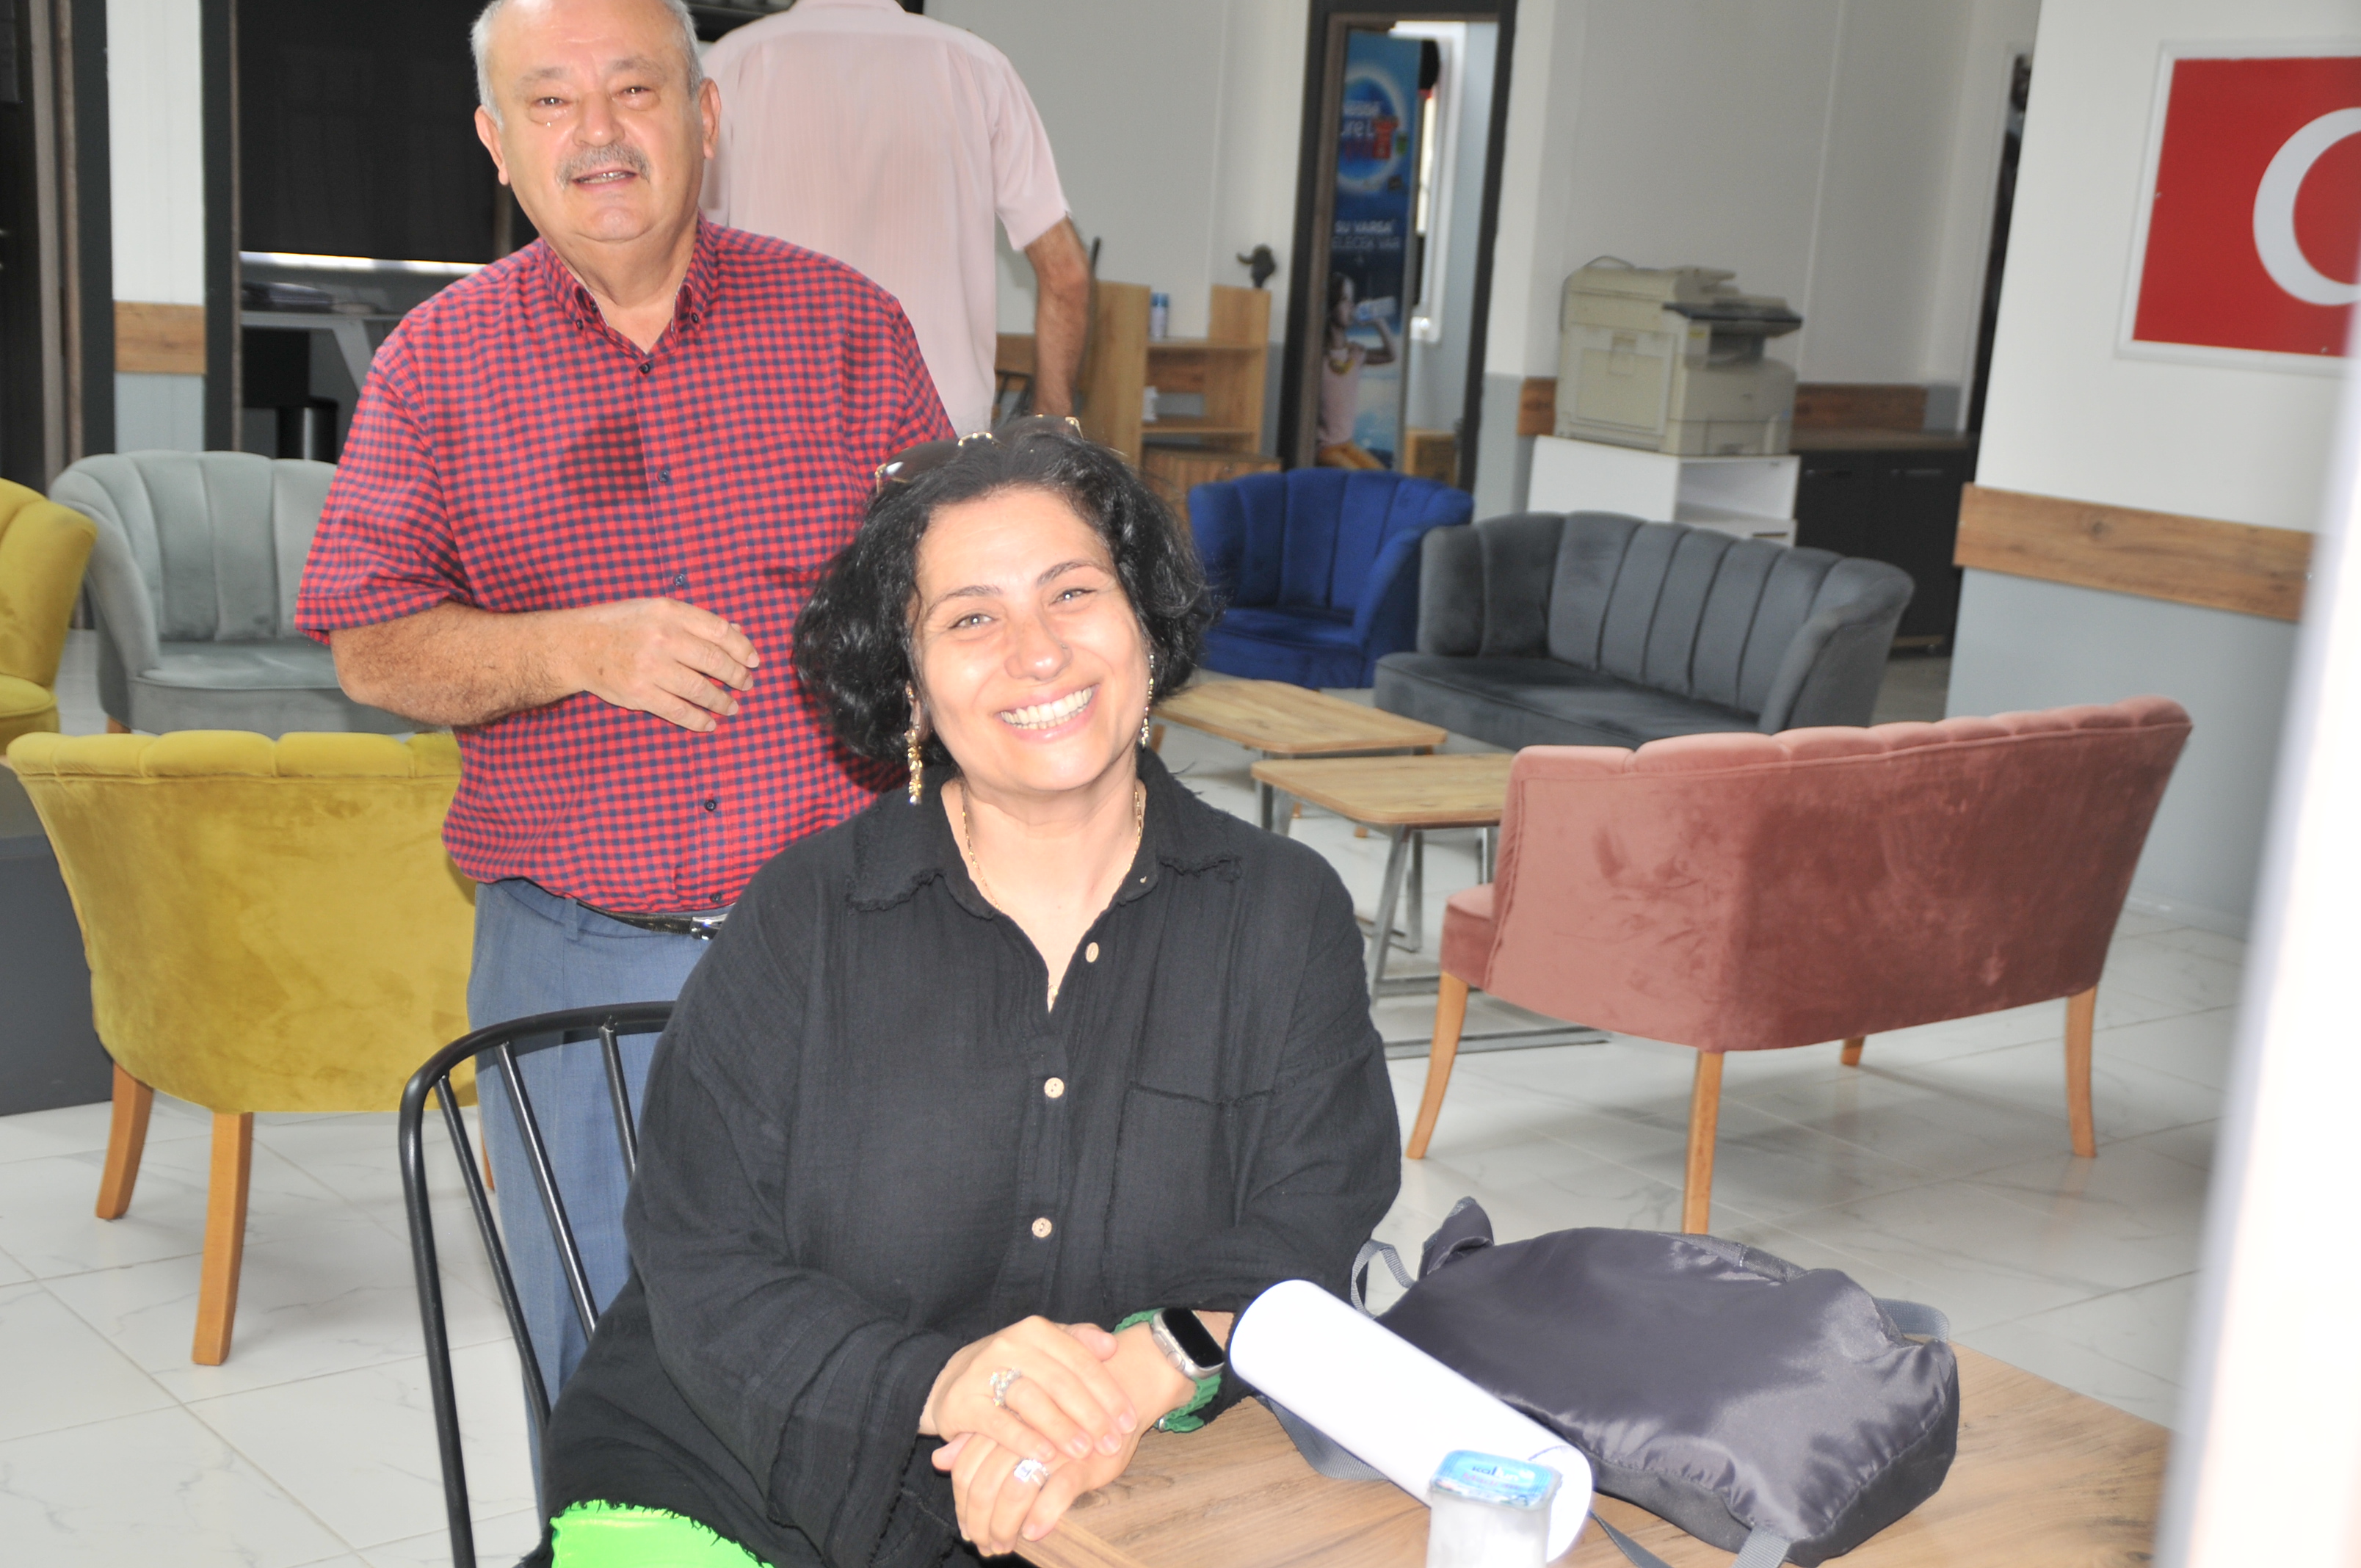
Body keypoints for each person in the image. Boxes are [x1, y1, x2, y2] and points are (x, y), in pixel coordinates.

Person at [529, 422, 1402, 1567]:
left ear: (1145, 625)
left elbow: (1310, 1223)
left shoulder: (1281, 914)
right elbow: (701, 1258)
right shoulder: (807, 915)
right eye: (971, 619)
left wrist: (1154, 1367)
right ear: (911, 687)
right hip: (734, 1475)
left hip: (1104, 1489)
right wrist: (949, 1383)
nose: (1037, 653)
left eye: (1073, 593)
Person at [294, 0, 952, 1404]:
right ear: (496, 141)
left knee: (862, 1352)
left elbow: (953, 596)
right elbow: (370, 646)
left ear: (703, 116)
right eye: (550, 101)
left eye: (635, 89)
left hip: (844, 950)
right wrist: (573, 650)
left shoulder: (846, 325)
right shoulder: (435, 364)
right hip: (573, 963)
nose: (597, 132)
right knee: (601, 1367)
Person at [700, 0, 1093, 434]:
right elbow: (1067, 275)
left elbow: (674, 264)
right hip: (940, 439)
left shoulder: (728, 66)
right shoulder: (979, 69)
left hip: (774, 429)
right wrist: (1049, 441)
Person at [1316, 272, 1396, 470]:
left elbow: (1390, 355)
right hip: (1326, 448)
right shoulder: (1319, 355)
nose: (1351, 306)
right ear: (1331, 307)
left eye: (1352, 301)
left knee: (1381, 478)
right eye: (1344, 300)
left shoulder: (1354, 353)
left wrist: (1378, 321)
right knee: (1357, 480)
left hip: (1347, 444)